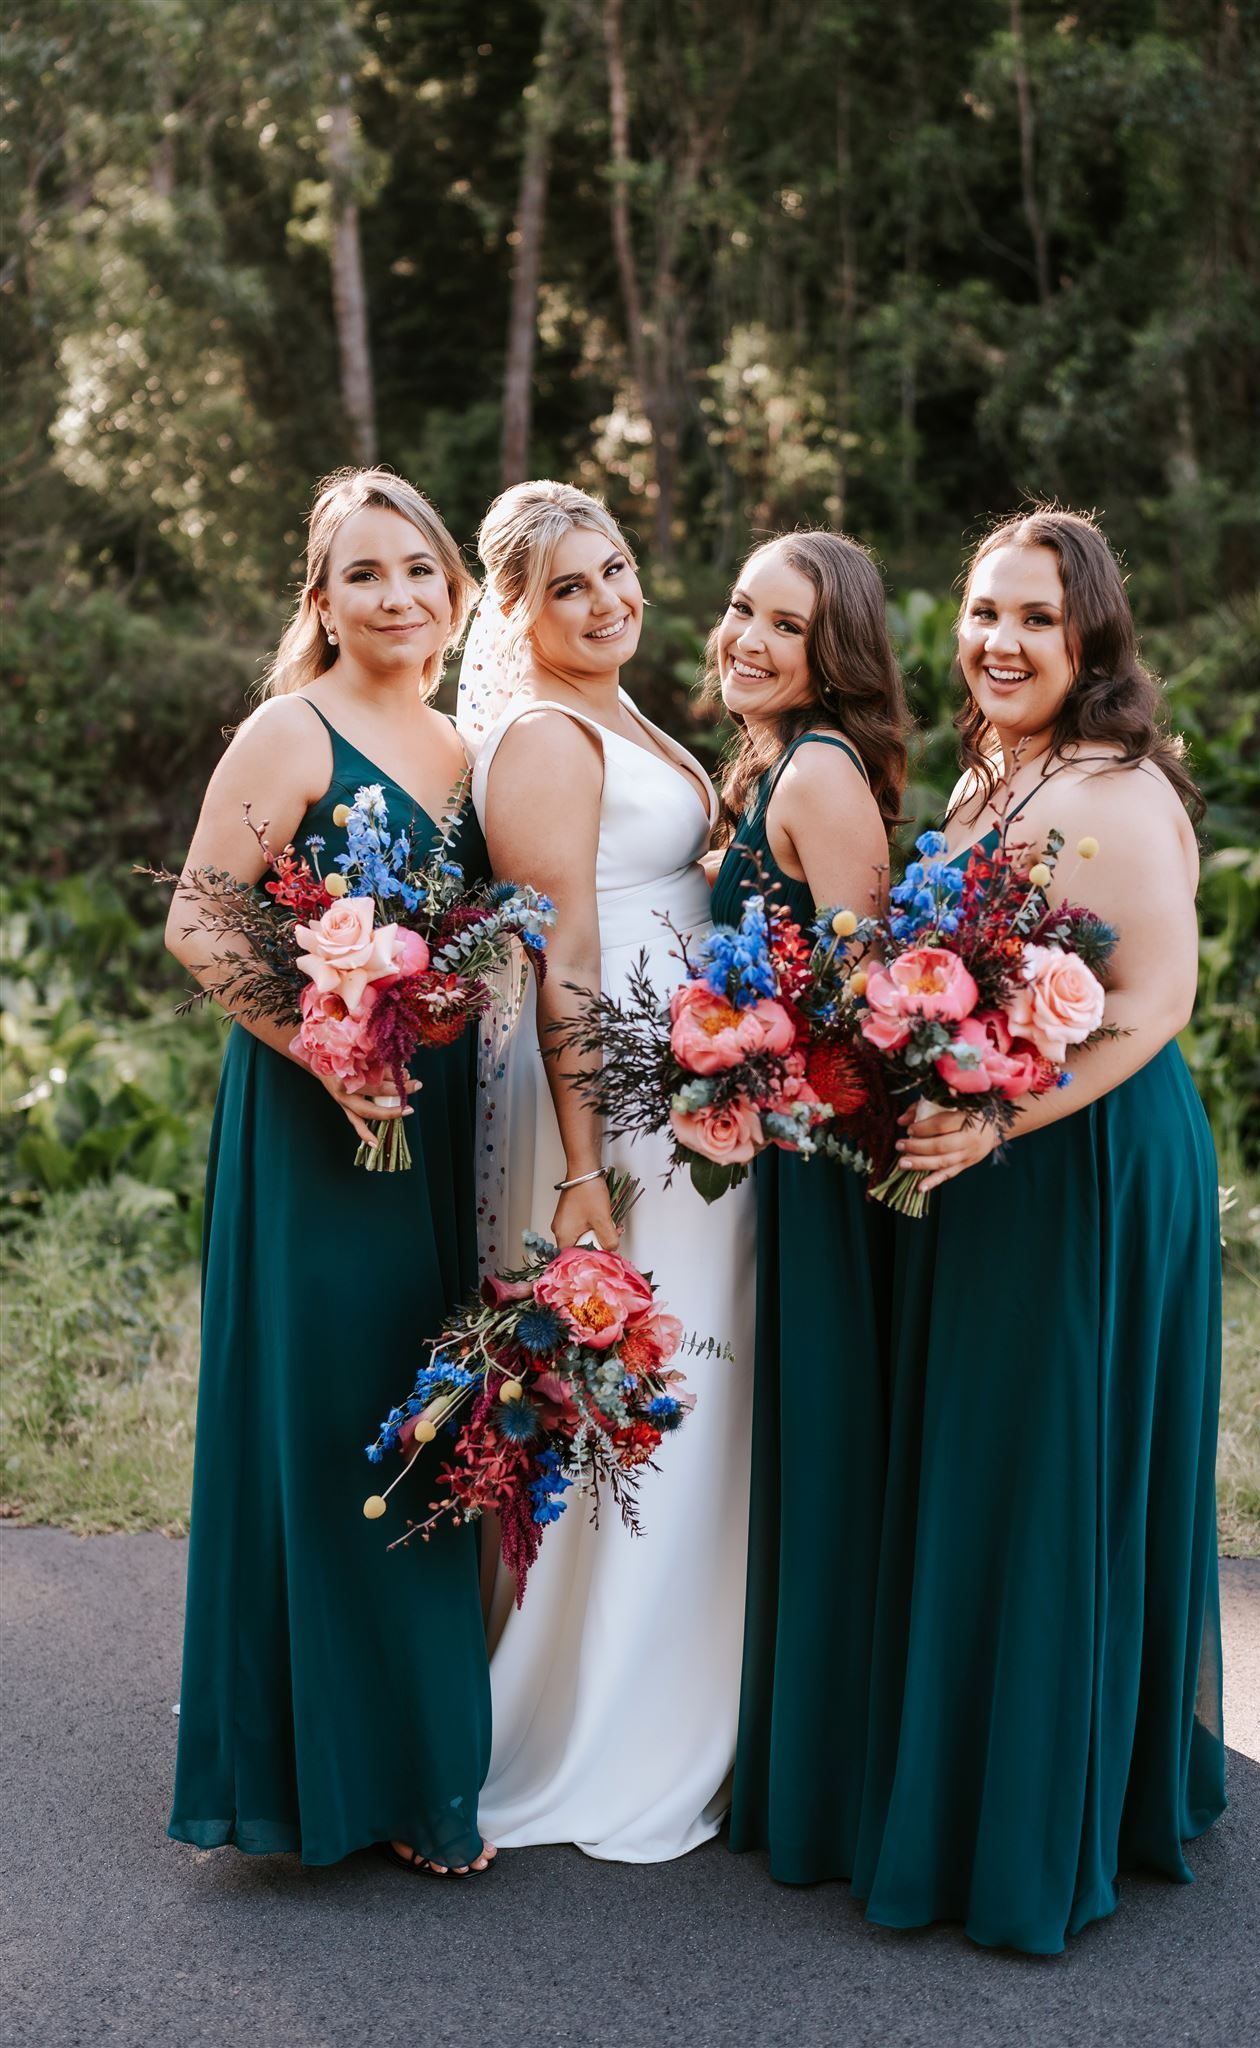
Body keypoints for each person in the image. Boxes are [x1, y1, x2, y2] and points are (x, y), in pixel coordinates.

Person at [852, 506, 1225, 1952]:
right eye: (984, 614)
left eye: (1035, 621)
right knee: (996, 1464)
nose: (1000, 643)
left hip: (1086, 1160)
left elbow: (1149, 1006)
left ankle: (1044, 1824)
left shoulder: (1119, 794)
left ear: (1090, 645)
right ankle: (980, 1779)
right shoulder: (985, 775)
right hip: (988, 1151)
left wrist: (1005, 1119)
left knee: (1055, 1467)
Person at [166, 468, 496, 1878]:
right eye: (364, 574)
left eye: (418, 570)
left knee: (427, 1416)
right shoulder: (288, 732)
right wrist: (325, 1047)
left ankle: (418, 1770)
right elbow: (197, 920)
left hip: (439, 1123)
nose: (398, 596)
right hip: (320, 1124)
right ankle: (318, 1781)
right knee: (332, 1420)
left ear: (456, 593)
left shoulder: (467, 751)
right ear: (321, 601)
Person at [462, 479, 755, 1862]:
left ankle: (689, 1684)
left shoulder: (626, 715)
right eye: (570, 587)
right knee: (644, 1381)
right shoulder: (541, 736)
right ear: (515, 614)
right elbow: (560, 960)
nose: (608, 601)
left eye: (618, 568)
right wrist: (582, 1170)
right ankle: (604, 1716)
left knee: (693, 1372)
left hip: (682, 1078)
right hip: (616, 1106)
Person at [705, 532, 912, 1882]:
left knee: (821, 1441)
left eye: (785, 625)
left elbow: (874, 1000)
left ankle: (831, 1769)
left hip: (819, 1161)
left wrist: (744, 1059)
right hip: (769, 1148)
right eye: (737, 610)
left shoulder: (822, 772)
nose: (749, 639)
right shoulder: (766, 765)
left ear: (830, 650)